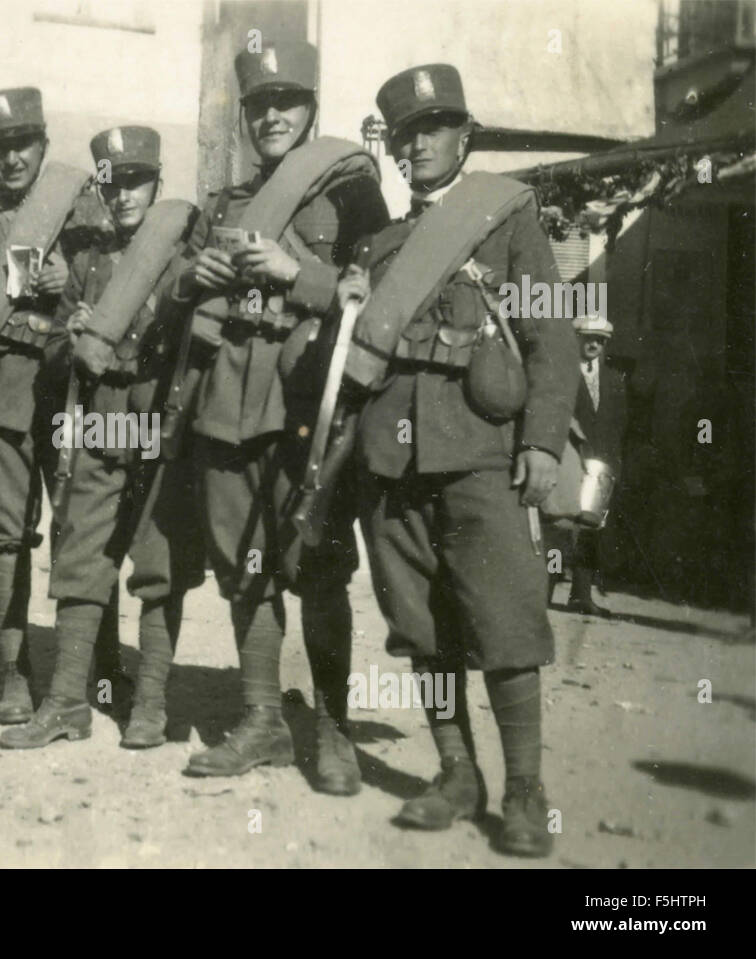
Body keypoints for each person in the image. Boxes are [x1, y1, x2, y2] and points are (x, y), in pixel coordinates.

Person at [343, 64, 579, 856]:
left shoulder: (507, 222)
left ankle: (524, 787)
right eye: (406, 135)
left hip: (480, 453)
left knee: (506, 617)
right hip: (392, 460)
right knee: (421, 624)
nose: (418, 145)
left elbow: (552, 334)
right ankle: (456, 772)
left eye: (434, 128)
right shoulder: (381, 246)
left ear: (463, 136)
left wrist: (542, 440)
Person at [159, 39, 390, 785]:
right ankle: (263, 720)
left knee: (317, 565)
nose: (271, 117)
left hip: (307, 403)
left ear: (310, 109)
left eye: (286, 102)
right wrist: (193, 275)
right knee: (244, 566)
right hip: (228, 401)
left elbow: (377, 299)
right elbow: (174, 295)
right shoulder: (225, 202)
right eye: (259, 105)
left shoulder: (353, 194)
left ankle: (333, 729)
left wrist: (301, 275)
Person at [0, 126, 204, 750]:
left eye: (137, 182)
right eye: (114, 185)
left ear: (158, 185)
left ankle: (150, 705)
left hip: (158, 426)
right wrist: (73, 338)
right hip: (100, 423)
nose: (124, 196)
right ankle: (67, 702)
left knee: (158, 563)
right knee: (81, 556)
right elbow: (53, 351)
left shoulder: (183, 263)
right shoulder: (87, 264)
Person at [0, 87, 117, 724]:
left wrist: (70, 282)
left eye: (23, 144)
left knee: (85, 529)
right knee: (8, 536)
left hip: (72, 390)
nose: (12, 158)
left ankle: (102, 666)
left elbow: (118, 293)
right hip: (8, 390)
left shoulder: (87, 213)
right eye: (0, 148)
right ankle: (16, 672)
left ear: (44, 145)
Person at [564, 314, 627, 615]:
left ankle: (581, 595)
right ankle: (542, 591)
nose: (595, 345)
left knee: (591, 528)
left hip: (602, 466)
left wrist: (613, 464)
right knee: (561, 526)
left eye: (601, 341)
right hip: (571, 460)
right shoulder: (562, 375)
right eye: (589, 338)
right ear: (577, 339)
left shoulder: (614, 379)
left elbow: (620, 424)